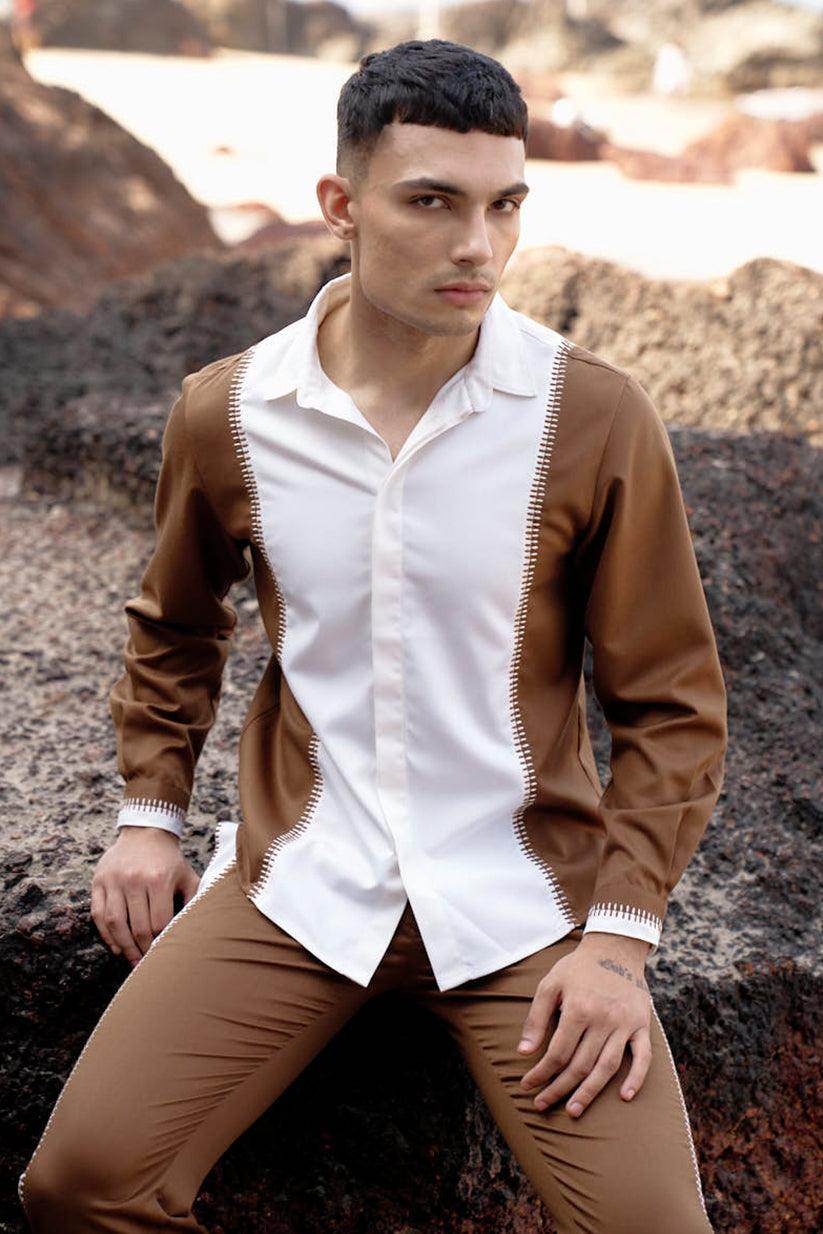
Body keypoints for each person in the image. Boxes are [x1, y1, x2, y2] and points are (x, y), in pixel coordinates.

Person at [17, 38, 727, 1234]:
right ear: (340, 206)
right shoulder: (232, 412)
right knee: (80, 1184)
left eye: (504, 206)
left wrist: (617, 943)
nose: (478, 246)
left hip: (522, 906)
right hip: (302, 885)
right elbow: (175, 625)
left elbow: (672, 703)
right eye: (432, 203)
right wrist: (149, 811)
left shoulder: (592, 415)